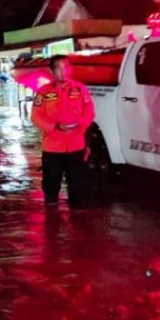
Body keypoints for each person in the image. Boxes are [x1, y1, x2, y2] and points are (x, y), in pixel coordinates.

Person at [31, 55, 95, 208]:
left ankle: (77, 225)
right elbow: (35, 116)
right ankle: (52, 224)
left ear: (70, 69)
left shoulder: (80, 89)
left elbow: (89, 113)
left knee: (78, 189)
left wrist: (80, 126)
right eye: (58, 68)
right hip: (52, 148)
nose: (63, 71)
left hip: (76, 146)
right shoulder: (44, 92)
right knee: (51, 189)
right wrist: (54, 127)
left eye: (66, 67)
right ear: (52, 71)